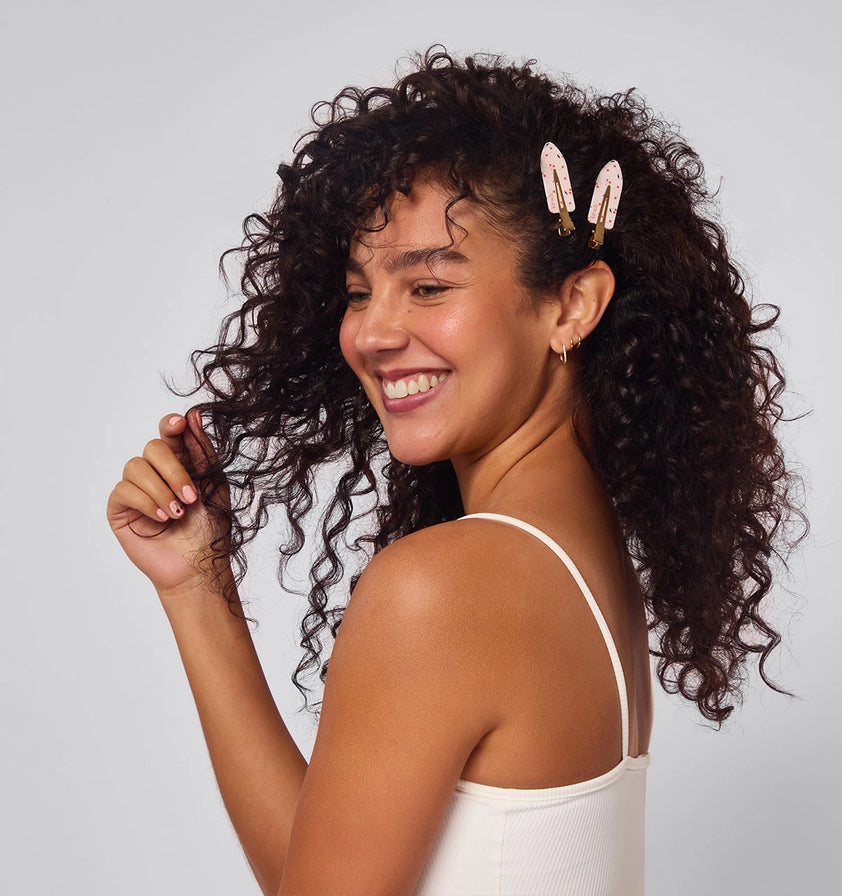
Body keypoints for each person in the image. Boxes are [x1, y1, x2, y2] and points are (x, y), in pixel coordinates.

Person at [106, 49, 803, 895]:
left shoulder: (445, 587)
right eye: (358, 292)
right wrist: (197, 586)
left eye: (429, 287)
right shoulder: (577, 562)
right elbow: (327, 869)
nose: (372, 332)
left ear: (571, 305)